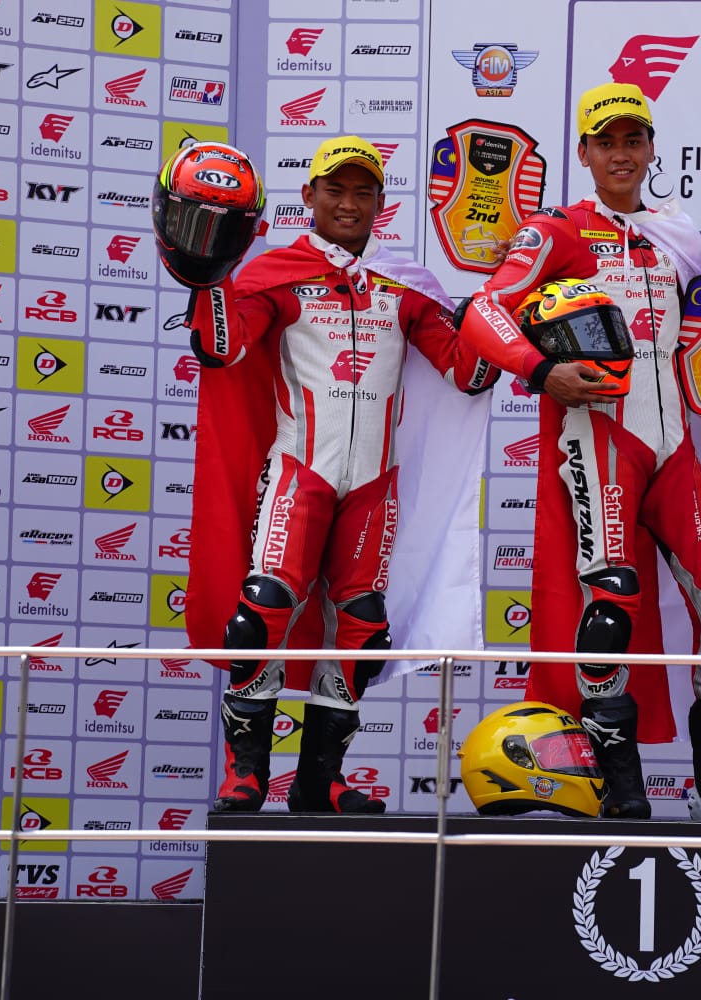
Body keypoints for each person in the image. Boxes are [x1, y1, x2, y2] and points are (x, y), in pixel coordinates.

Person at [458, 82, 701, 823]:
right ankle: (620, 784)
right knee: (610, 605)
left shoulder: (678, 235)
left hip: (674, 448)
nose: (620, 154)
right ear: (583, 152)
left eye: (632, 140)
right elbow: (484, 310)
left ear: (650, 148)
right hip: (600, 439)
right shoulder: (558, 230)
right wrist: (540, 371)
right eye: (605, 141)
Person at [172, 136, 498, 813]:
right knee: (263, 609)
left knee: (363, 624)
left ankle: (320, 778)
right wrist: (209, 278)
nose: (349, 204)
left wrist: (499, 303)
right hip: (301, 473)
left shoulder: (405, 286)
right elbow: (223, 350)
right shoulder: (277, 274)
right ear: (309, 197)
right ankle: (246, 774)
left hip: (373, 487)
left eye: (362, 192)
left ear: (380, 203)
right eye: (335, 190)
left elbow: (467, 374)